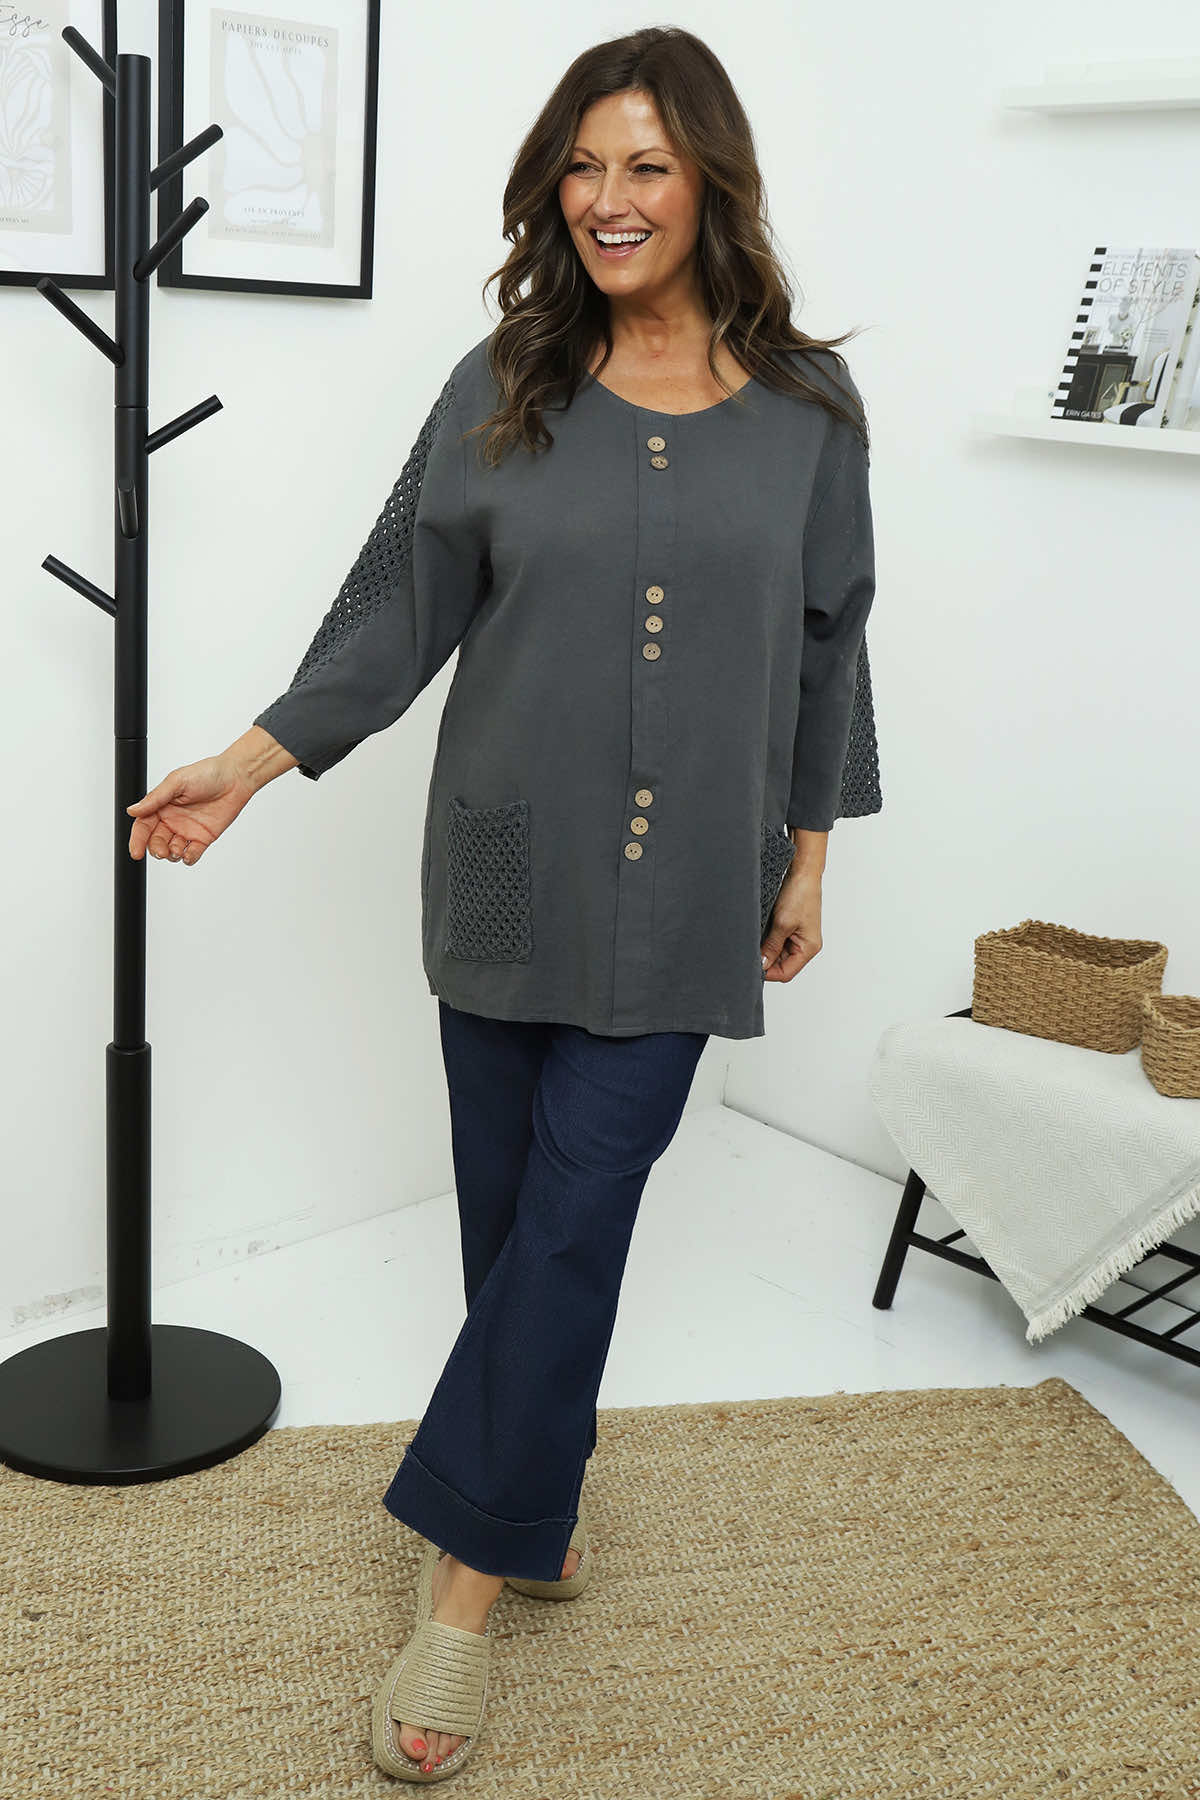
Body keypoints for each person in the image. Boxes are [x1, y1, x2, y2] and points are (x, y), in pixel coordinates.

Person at [124, 25, 881, 1785]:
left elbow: (833, 640)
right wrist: (250, 761)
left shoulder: (810, 416)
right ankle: (535, 1492)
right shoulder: (502, 381)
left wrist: (809, 853)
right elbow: (393, 612)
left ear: (711, 184)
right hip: (500, 871)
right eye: (584, 166)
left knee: (573, 1221)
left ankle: (458, 1597)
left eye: (648, 166)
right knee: (508, 1222)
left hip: (693, 893)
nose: (610, 199)